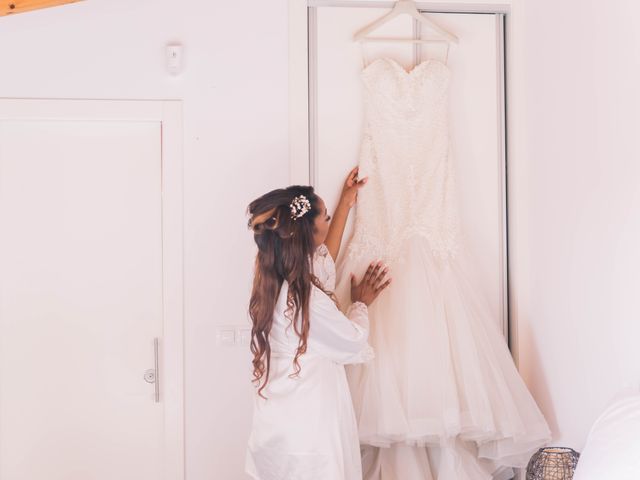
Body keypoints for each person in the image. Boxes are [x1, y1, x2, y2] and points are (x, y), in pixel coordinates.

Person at [245, 168, 391, 480]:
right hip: (308, 429)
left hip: (278, 426)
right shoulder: (305, 300)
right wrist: (361, 303)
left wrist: (344, 205)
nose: (327, 222)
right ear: (307, 233)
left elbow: (325, 255)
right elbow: (353, 341)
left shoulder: (277, 282)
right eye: (324, 217)